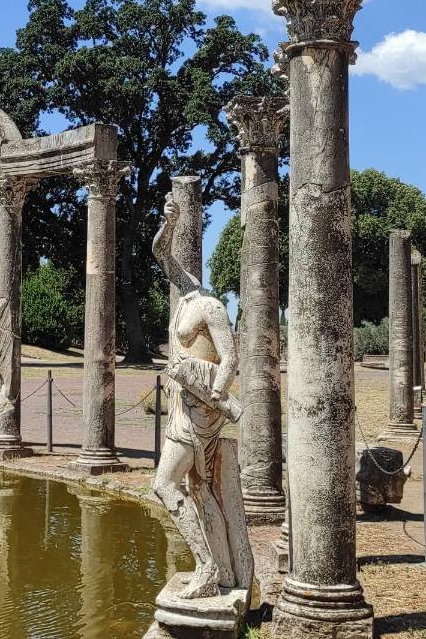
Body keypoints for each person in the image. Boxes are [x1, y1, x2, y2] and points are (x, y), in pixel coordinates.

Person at [151, 192, 244, 598]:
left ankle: (207, 567)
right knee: (197, 488)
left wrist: (215, 393)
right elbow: (161, 254)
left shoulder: (211, 307)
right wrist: (169, 222)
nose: (173, 275)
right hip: (182, 404)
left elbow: (232, 356)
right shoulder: (186, 296)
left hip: (201, 408)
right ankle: (221, 568)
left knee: (164, 484)